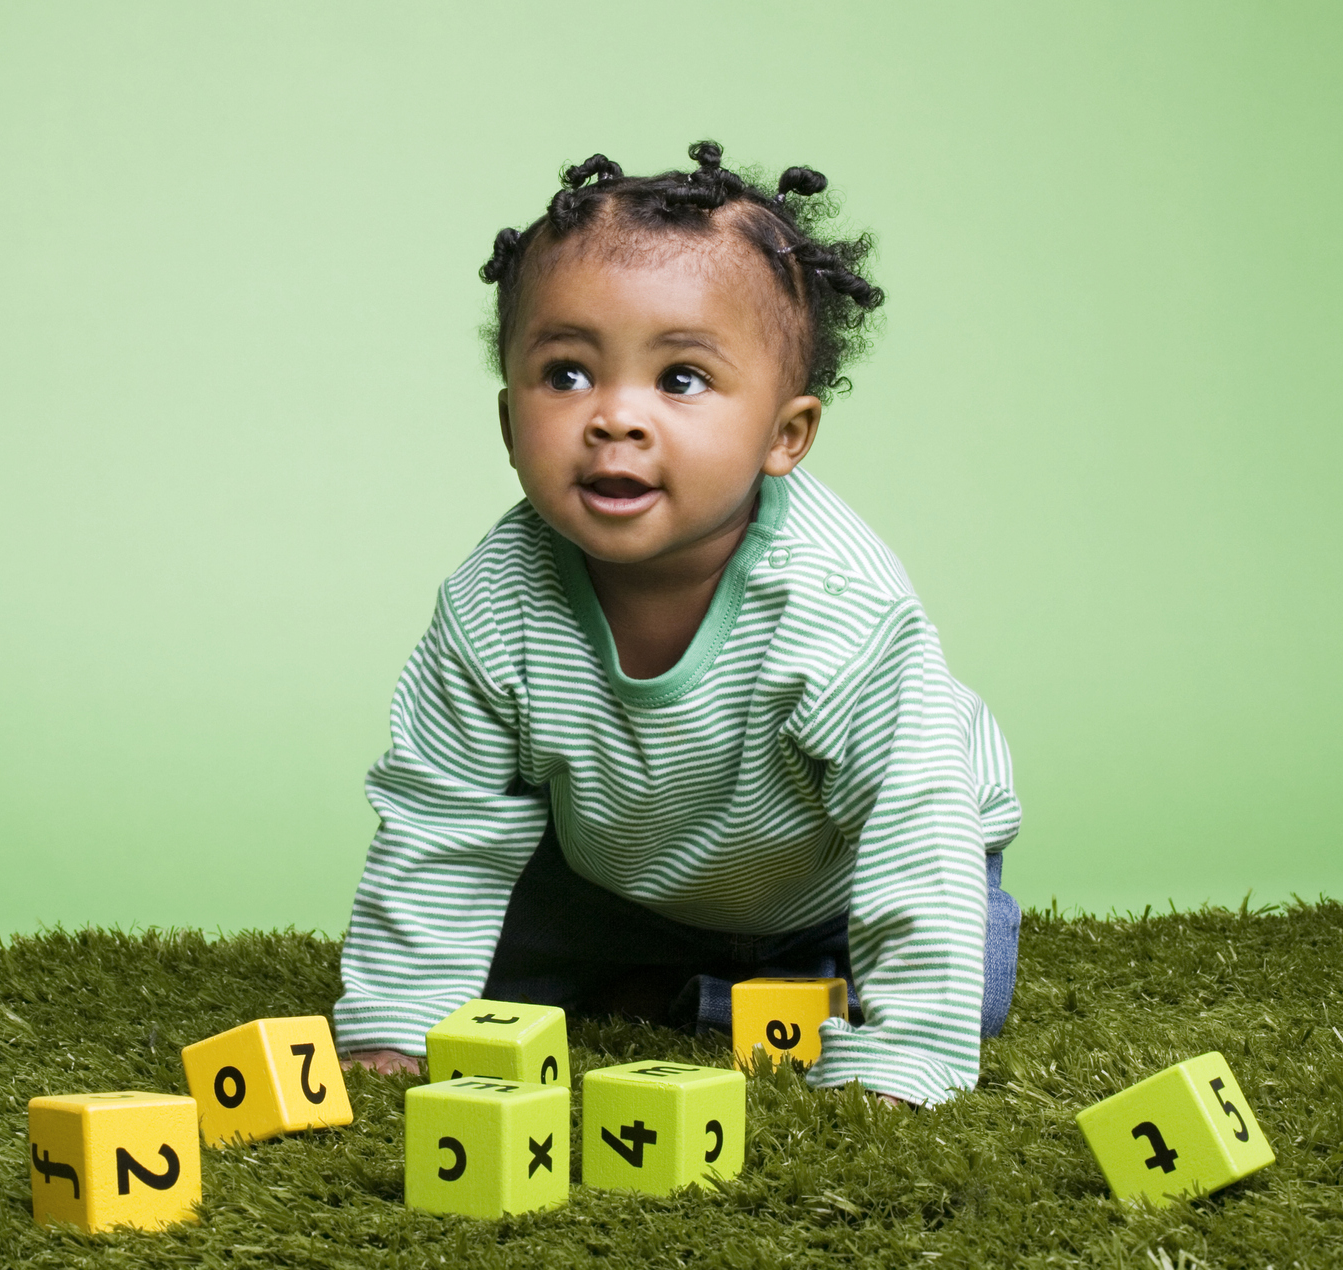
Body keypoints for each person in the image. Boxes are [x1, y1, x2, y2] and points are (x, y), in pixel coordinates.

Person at [334, 144, 1020, 1108]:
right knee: (474, 951)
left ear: (785, 435)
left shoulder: (834, 603)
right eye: (566, 374)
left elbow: (912, 820)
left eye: (682, 379)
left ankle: (719, 995)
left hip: (846, 875)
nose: (615, 416)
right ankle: (692, 989)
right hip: (626, 880)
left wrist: (906, 1055)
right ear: (505, 420)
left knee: (962, 983)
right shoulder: (494, 601)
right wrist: (399, 1019)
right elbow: (446, 815)